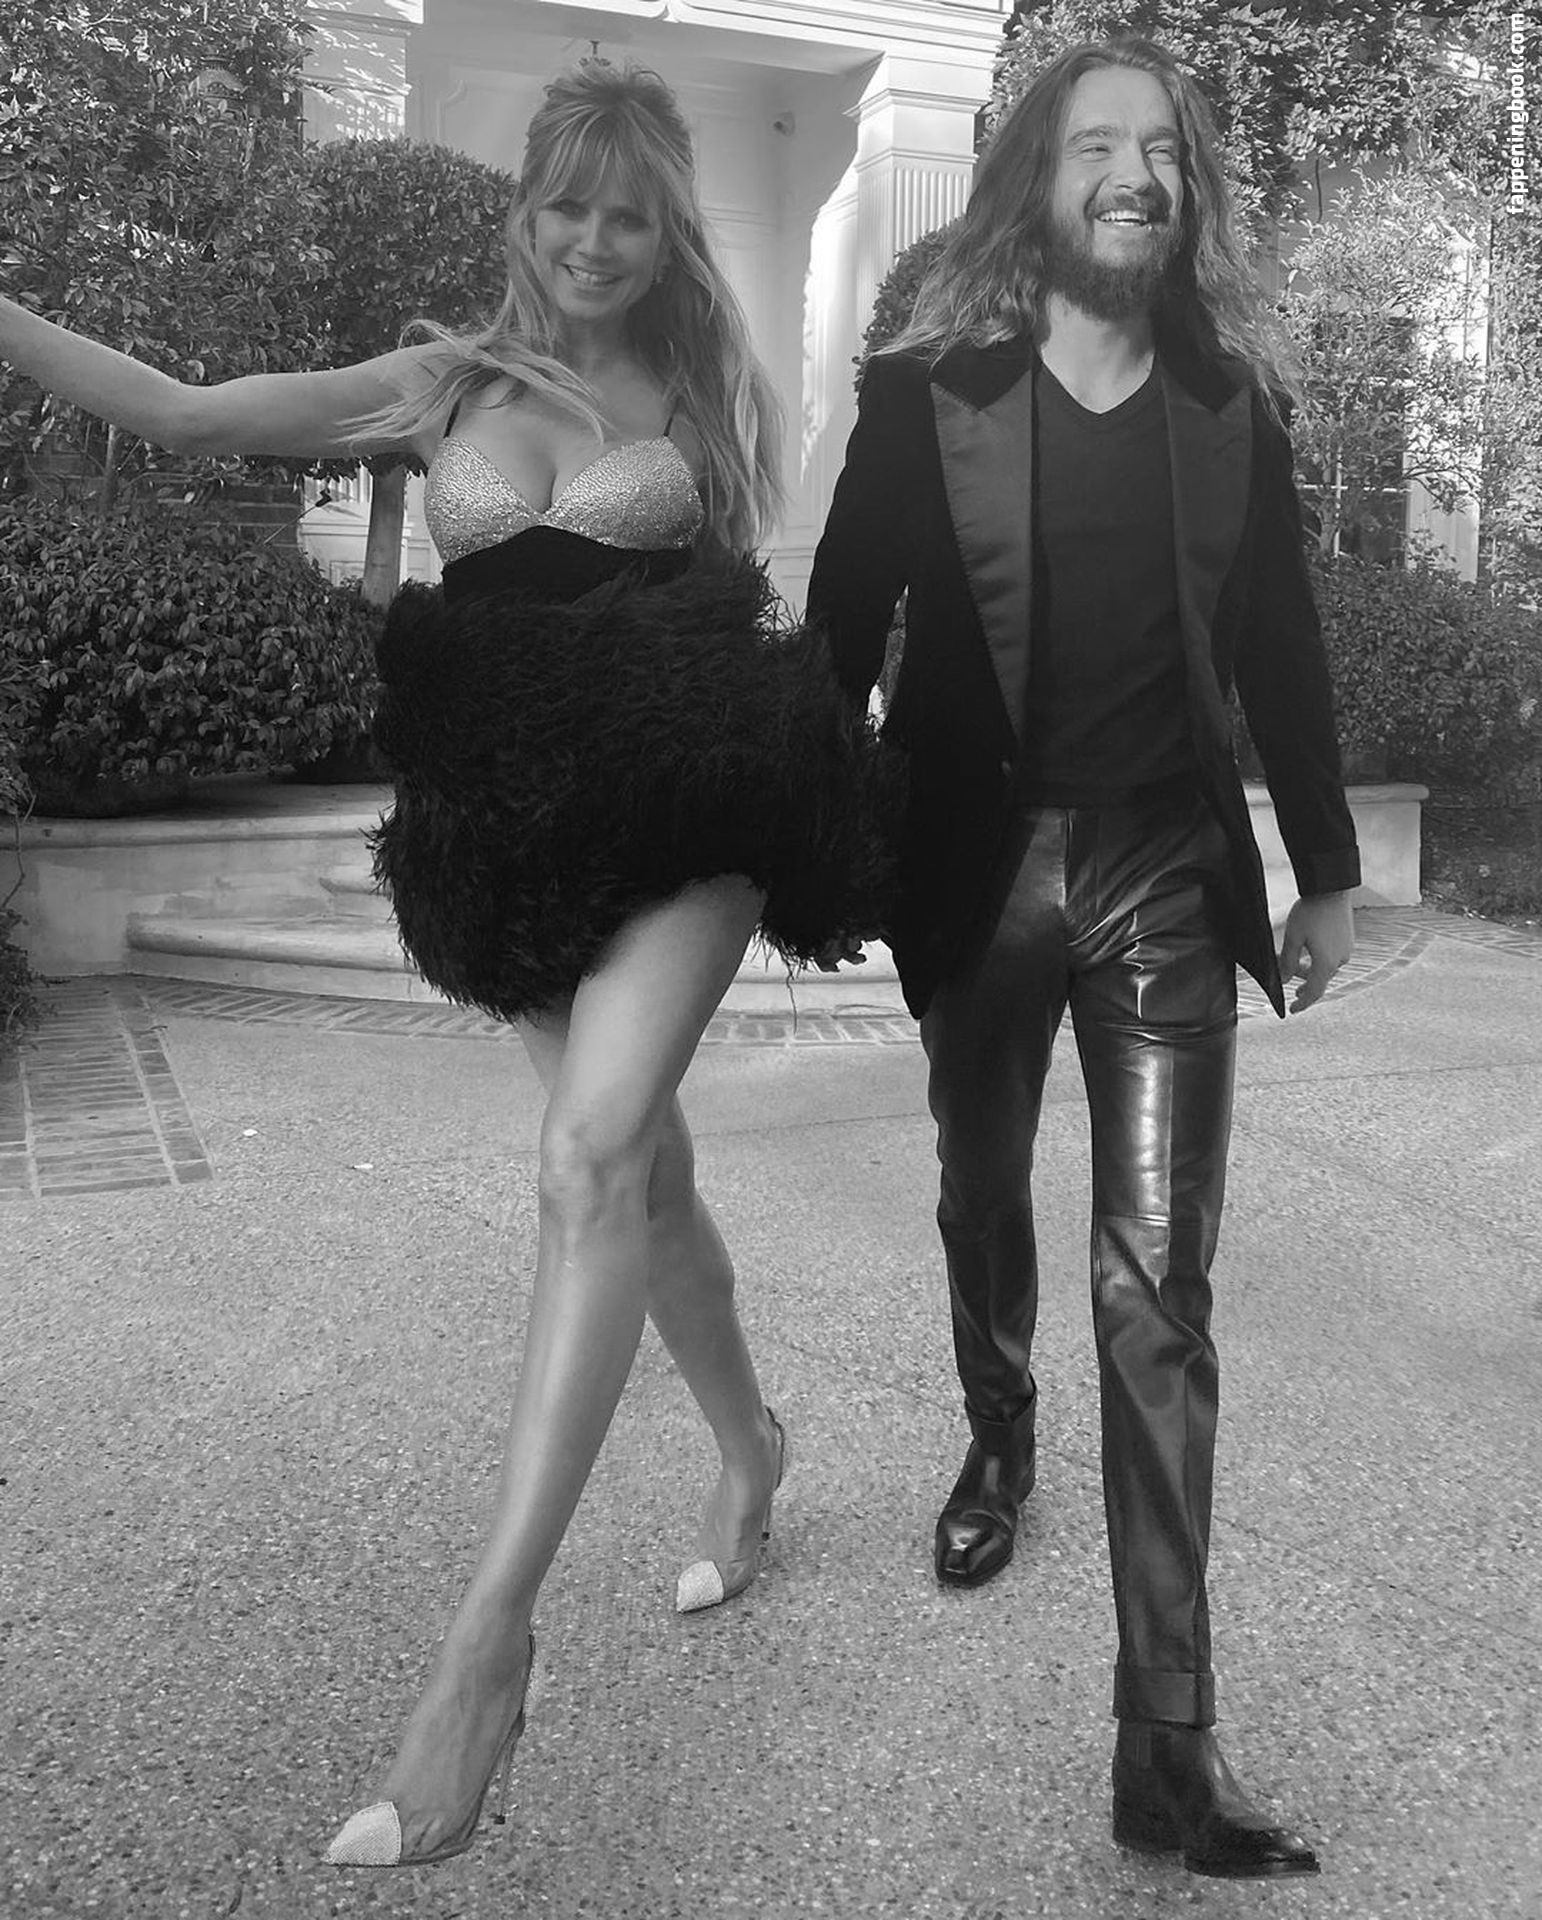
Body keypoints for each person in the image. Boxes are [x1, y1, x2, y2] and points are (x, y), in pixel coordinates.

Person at [0, 62, 885, 1869]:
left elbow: (732, 620)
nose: (591, 241)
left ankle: (487, 1645)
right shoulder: (440, 384)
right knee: (645, 1173)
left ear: (665, 233)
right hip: (515, 845)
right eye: (565, 204)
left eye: (626, 215)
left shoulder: (703, 394)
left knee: (590, 1154)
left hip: (690, 820)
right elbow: (179, 412)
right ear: (523, 207)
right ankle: (753, 1445)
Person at [806, 35, 1359, 1881]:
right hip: (979, 869)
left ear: (1188, 190)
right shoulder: (926, 392)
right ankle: (997, 1435)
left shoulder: (1231, 405)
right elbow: (839, 626)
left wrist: (1326, 872)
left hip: (1163, 879)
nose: (1135, 176)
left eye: (1163, 151)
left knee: (1159, 1291)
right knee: (980, 1189)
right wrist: (808, 843)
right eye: (1097, 147)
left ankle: (1165, 1747)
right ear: (1033, 182)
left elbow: (1278, 640)